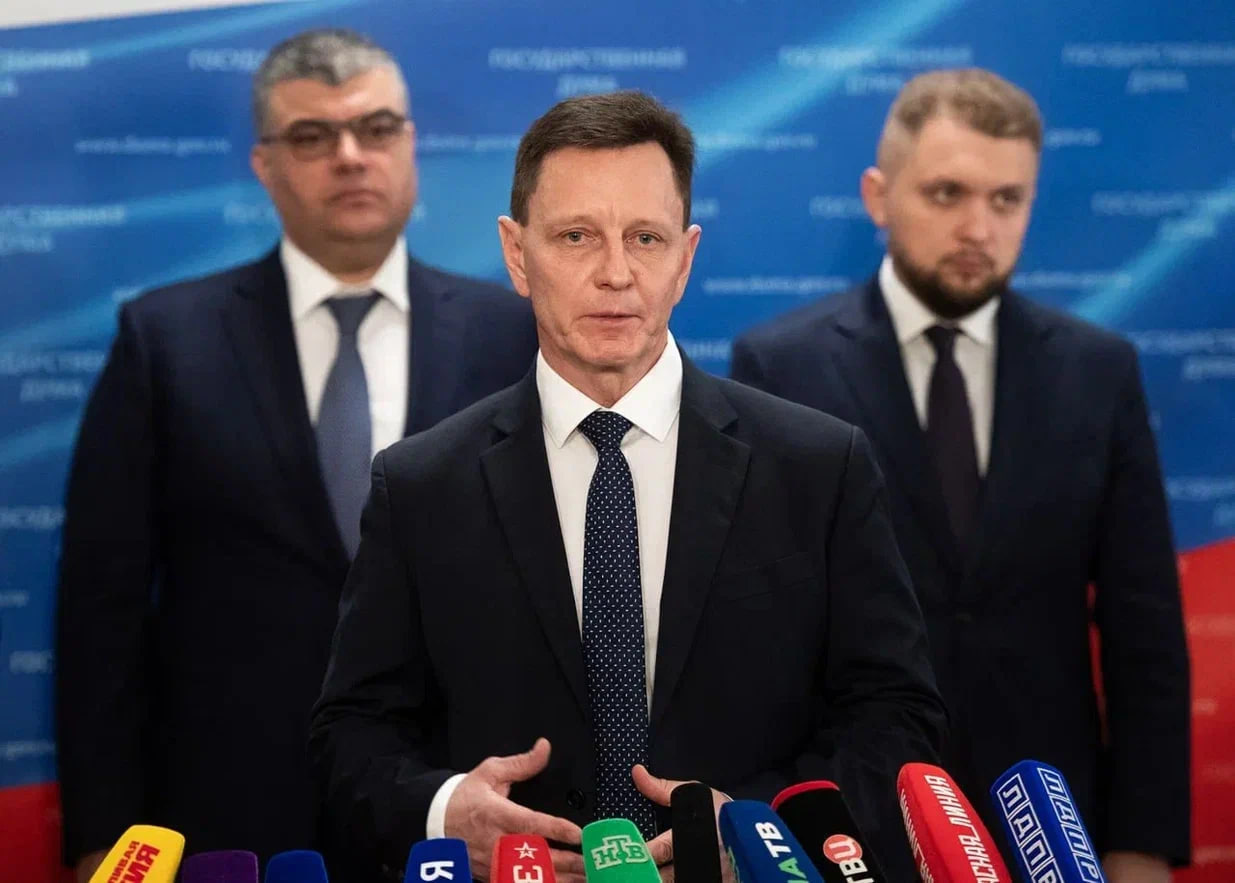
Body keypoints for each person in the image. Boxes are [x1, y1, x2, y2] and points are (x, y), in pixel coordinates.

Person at [309, 89, 945, 883]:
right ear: (516, 254)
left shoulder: (818, 466)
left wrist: (764, 834)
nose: (615, 273)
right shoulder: (420, 485)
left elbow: (895, 717)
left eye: (644, 237)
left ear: (684, 258)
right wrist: (444, 813)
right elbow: (351, 737)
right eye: (576, 236)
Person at [55, 28, 537, 879]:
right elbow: (102, 613)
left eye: (375, 128)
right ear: (264, 165)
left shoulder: (512, 335)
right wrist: (103, 834)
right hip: (228, 816)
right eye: (312, 136)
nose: (350, 156)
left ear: (410, 145)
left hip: (458, 805)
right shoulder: (165, 341)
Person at [731, 69, 1190, 881]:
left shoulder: (1097, 371)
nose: (978, 226)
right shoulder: (780, 367)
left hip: (1049, 829)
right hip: (853, 826)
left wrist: (1141, 843)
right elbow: (761, 637)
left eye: (1006, 199)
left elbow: (1142, 631)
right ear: (878, 197)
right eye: (946, 193)